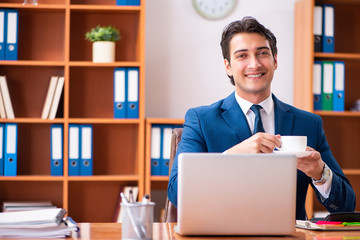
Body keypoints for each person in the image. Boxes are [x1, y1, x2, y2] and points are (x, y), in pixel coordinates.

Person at [167, 16, 356, 220]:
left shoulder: (308, 123)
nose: (254, 64)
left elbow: (345, 207)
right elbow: (178, 193)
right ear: (228, 66)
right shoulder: (201, 120)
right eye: (242, 56)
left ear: (275, 61)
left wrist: (320, 173)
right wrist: (231, 158)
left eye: (262, 53)